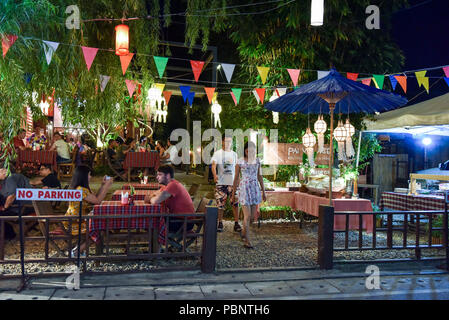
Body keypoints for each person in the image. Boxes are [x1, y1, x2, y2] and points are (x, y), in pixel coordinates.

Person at [64, 165, 113, 256]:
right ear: (83, 176)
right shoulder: (81, 190)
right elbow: (98, 201)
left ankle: (79, 249)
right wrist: (107, 186)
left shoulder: (81, 188)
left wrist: (102, 185)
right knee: (98, 229)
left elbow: (95, 199)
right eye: (89, 175)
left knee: (99, 226)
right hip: (75, 222)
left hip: (78, 220)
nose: (90, 177)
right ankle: (77, 251)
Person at [231, 141, 266, 249]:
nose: (249, 152)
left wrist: (263, 191)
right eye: (247, 150)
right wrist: (233, 194)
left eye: (251, 150)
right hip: (244, 189)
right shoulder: (240, 161)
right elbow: (236, 178)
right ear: (245, 151)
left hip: (254, 188)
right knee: (247, 216)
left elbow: (260, 176)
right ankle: (247, 241)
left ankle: (243, 232)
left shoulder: (257, 161)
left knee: (251, 217)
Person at [144, 165, 195, 232]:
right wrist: (152, 197)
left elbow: (155, 201)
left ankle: (156, 241)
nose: (157, 177)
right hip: (178, 219)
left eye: (160, 175)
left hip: (184, 222)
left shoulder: (173, 185)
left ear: (168, 175)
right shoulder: (167, 186)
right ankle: (156, 240)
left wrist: (152, 198)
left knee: (153, 221)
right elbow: (150, 196)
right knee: (153, 220)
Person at [211, 135, 242, 233]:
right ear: (222, 142)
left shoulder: (234, 154)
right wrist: (215, 175)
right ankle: (220, 222)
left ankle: (236, 223)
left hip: (232, 183)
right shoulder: (217, 153)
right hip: (221, 182)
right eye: (226, 141)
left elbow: (237, 168)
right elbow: (213, 165)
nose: (228, 143)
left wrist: (239, 180)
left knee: (235, 203)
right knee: (220, 204)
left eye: (230, 141)